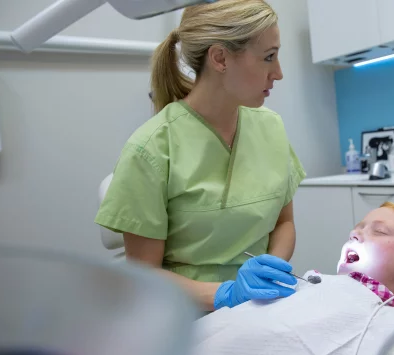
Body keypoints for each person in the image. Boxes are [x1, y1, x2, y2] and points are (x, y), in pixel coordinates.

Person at [94, 0, 306, 312]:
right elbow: (144, 276)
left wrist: (269, 268)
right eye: (268, 57)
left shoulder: (270, 127)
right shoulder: (152, 148)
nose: (279, 73)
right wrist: (227, 295)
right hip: (186, 318)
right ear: (220, 58)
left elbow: (284, 222)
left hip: (263, 308)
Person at [191, 202, 394, 354]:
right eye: (356, 229)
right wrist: (234, 295)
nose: (354, 234)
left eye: (379, 231)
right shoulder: (309, 283)